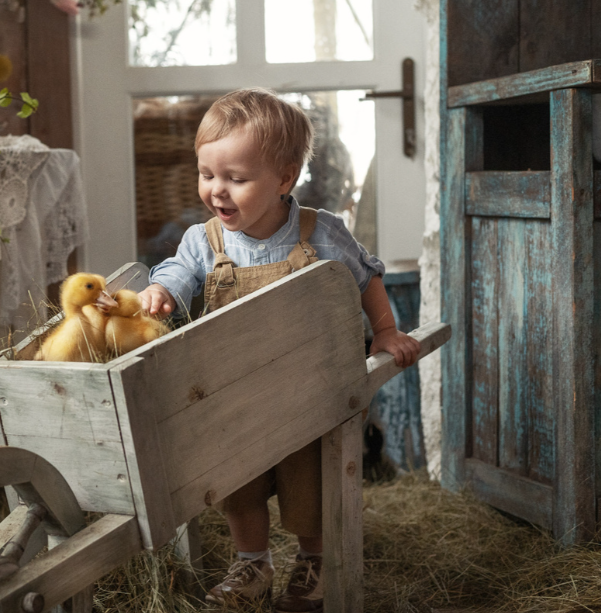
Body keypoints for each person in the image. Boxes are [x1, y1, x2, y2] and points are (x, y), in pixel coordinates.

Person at [139, 88, 420, 612]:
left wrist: (384, 332)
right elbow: (177, 271)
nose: (217, 191)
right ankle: (253, 562)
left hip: (307, 395)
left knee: (308, 486)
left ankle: (313, 558)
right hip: (235, 393)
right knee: (238, 486)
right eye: (207, 175)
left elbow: (368, 280)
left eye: (236, 179)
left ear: (284, 179)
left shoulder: (322, 233)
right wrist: (162, 291)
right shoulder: (205, 242)